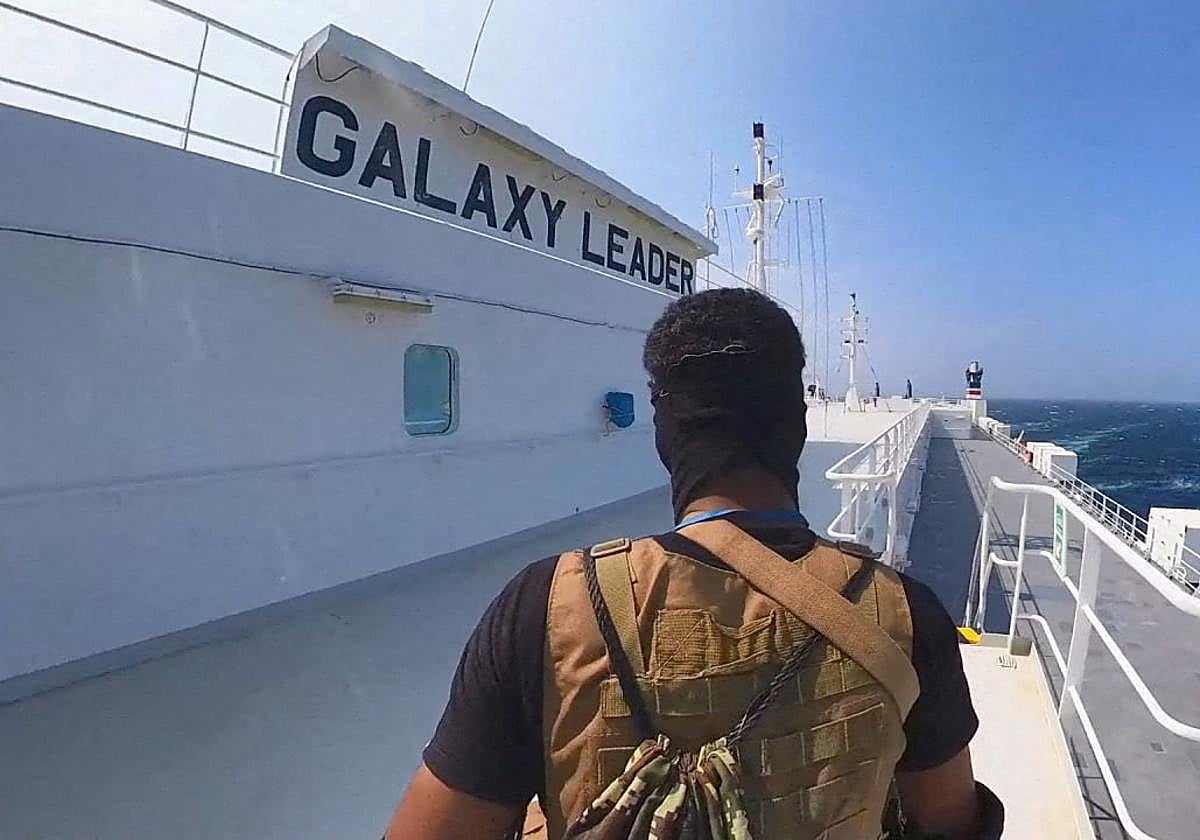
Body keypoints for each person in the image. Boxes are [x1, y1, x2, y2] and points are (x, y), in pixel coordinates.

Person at [385, 288, 999, 840]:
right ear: (797, 427)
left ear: (666, 431)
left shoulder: (546, 606)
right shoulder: (904, 613)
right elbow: (950, 821)